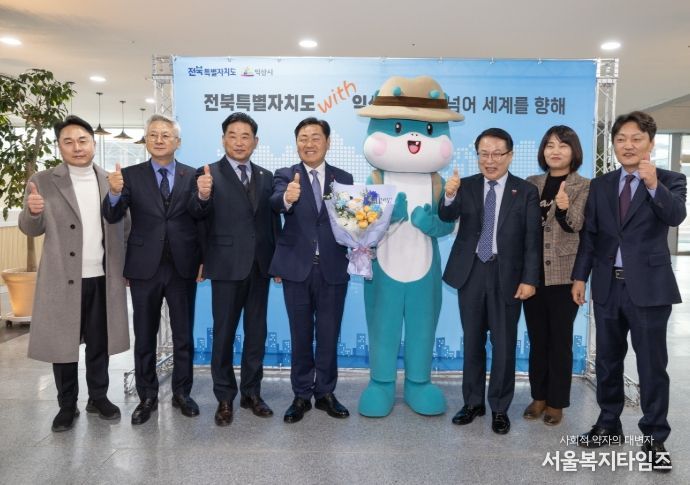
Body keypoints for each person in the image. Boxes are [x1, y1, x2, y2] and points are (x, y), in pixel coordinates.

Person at [572, 111, 686, 472]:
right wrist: (580, 277)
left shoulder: (671, 179)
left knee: (652, 365)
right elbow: (591, 235)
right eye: (620, 139)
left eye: (636, 138)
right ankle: (608, 424)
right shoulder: (601, 185)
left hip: (650, 289)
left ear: (650, 142)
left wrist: (653, 185)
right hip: (608, 285)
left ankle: (654, 437)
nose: (628, 145)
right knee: (608, 360)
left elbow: (676, 216)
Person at [19, 115, 129, 432]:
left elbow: (126, 227)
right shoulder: (42, 181)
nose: (77, 147)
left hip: (102, 278)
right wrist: (33, 212)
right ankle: (67, 405)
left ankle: (98, 397)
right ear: (59, 146)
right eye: (68, 142)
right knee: (63, 345)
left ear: (93, 143)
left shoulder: (111, 180)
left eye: (82, 140)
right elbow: (30, 228)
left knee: (99, 343)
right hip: (62, 279)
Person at [439, 127, 541, 435]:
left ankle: (499, 407)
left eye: (497, 154)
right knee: (472, 342)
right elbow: (446, 215)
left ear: (510, 156)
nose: (490, 160)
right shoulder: (466, 185)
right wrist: (449, 194)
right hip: (471, 272)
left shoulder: (525, 191)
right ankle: (473, 403)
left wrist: (530, 279)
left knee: (504, 344)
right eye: (484, 154)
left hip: (507, 275)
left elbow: (532, 240)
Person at [103, 114, 203, 425]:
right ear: (146, 140)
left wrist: (202, 259)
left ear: (177, 142)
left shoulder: (193, 175)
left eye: (165, 135)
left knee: (183, 335)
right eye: (153, 134)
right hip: (144, 267)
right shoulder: (129, 176)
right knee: (145, 335)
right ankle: (147, 396)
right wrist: (114, 193)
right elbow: (113, 215)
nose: (159, 140)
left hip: (183, 267)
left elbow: (202, 218)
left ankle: (182, 393)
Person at [188, 113, 279, 426]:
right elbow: (196, 215)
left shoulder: (267, 176)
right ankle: (224, 397)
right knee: (224, 334)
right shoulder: (208, 174)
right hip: (226, 266)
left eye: (245, 136)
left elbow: (272, 222)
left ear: (255, 141)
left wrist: (277, 261)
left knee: (256, 333)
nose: (239, 142)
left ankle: (252, 393)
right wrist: (202, 194)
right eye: (232, 135)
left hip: (260, 266)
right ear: (223, 139)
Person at [269, 117, 354, 423]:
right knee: (300, 334)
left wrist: (362, 240)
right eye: (303, 138)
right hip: (296, 269)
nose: (309, 144)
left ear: (327, 142)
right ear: (296, 144)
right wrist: (287, 198)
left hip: (333, 267)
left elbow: (351, 220)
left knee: (329, 334)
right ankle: (302, 395)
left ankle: (326, 393)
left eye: (315, 138)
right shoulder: (285, 174)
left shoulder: (343, 178)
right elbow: (275, 201)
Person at [523, 126, 590, 426]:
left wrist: (563, 209)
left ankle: (557, 402)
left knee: (560, 342)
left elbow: (578, 226)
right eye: (550, 145)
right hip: (532, 276)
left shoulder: (584, 186)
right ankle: (538, 396)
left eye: (563, 145)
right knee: (537, 339)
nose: (555, 151)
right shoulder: (531, 183)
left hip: (564, 276)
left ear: (574, 151)